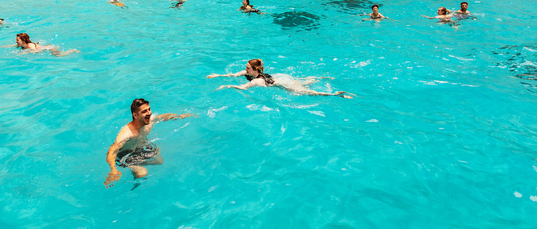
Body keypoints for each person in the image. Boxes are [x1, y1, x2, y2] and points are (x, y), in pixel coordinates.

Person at [104, 98, 194, 187]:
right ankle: (136, 185)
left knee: (159, 161)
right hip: (125, 156)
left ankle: (139, 163)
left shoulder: (149, 121)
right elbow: (111, 151)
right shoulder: (127, 134)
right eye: (144, 111)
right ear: (135, 115)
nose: (149, 113)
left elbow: (161, 117)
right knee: (142, 173)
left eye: (149, 109)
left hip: (138, 150)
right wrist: (113, 170)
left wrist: (178, 116)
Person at [208, 59, 354, 98]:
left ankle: (336, 95)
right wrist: (218, 76)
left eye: (247, 67)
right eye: (246, 67)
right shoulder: (248, 73)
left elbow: (242, 87)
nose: (245, 69)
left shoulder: (257, 80)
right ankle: (322, 77)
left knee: (307, 92)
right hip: (278, 78)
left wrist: (226, 86)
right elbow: (232, 75)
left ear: (255, 69)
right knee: (303, 81)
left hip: (282, 84)